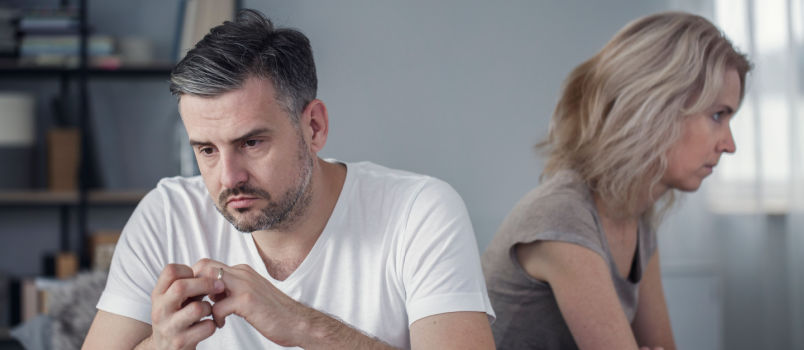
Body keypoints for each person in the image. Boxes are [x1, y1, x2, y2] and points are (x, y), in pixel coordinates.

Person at [82, 9, 495, 350]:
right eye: (206, 150)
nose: (229, 177)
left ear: (313, 127)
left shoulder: (419, 211)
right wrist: (161, 345)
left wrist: (300, 324)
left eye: (252, 142)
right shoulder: (168, 214)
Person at [481, 12, 751, 350]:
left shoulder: (637, 218)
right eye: (717, 115)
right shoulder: (562, 216)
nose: (730, 144)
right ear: (654, 107)